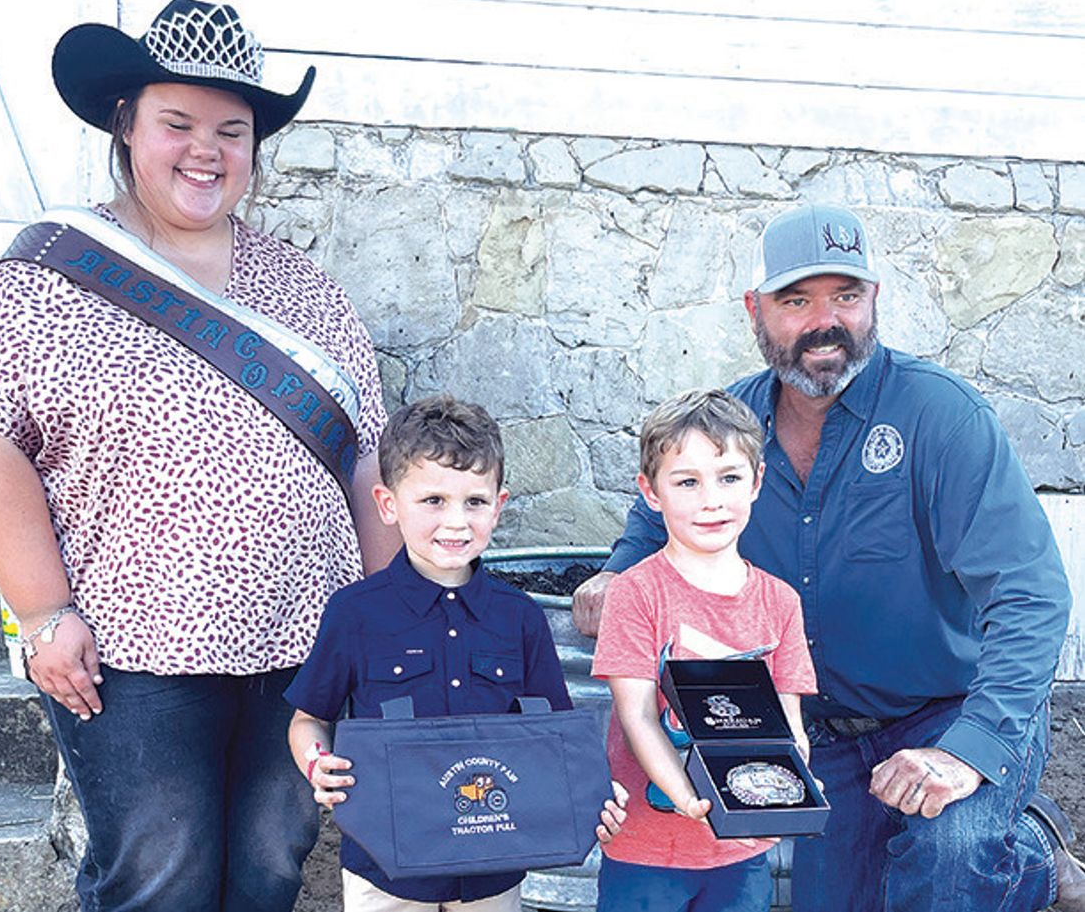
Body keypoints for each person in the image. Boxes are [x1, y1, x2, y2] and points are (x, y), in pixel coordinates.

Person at [0, 0, 398, 912]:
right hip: (131, 650)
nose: (206, 150)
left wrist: (383, 621)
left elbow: (365, 466)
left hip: (302, 640)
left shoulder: (305, 289)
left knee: (272, 864)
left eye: (231, 131)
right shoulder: (41, 277)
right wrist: (41, 612)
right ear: (127, 124)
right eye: (178, 123)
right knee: (160, 878)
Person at [572, 203, 1085, 912]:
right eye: (797, 300)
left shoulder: (942, 418)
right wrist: (614, 572)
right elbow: (650, 521)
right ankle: (1010, 860)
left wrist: (968, 749)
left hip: (948, 707)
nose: (826, 321)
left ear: (874, 300)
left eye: (846, 295)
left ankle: (1019, 856)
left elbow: (1031, 595)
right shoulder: (729, 426)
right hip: (818, 735)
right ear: (755, 310)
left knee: (949, 854)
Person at [285, 395, 628, 912]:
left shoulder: (521, 617)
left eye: (474, 501)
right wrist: (317, 764)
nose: (456, 522)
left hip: (493, 868)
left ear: (500, 503)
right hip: (386, 871)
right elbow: (307, 720)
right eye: (433, 501)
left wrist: (595, 794)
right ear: (387, 504)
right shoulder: (354, 614)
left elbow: (558, 739)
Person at [591, 388, 816, 912]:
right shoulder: (635, 591)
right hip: (646, 850)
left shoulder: (780, 602)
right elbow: (638, 717)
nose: (711, 500)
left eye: (729, 478)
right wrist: (691, 797)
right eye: (687, 482)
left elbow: (789, 724)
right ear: (651, 492)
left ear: (757, 482)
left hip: (741, 853)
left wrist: (794, 782)